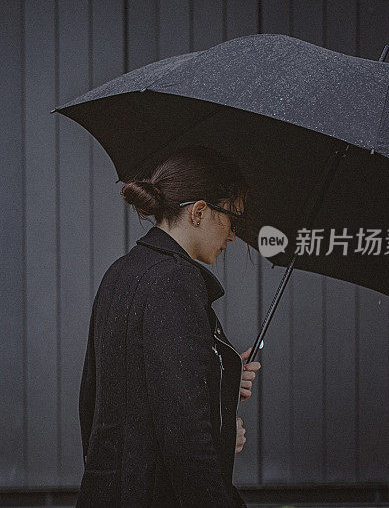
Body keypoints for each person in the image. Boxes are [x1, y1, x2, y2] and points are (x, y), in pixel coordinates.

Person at [77, 145, 261, 507]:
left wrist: (217, 380)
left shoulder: (120, 272)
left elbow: (97, 397)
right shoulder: (175, 282)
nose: (233, 236)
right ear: (199, 211)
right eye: (231, 219)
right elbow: (183, 430)